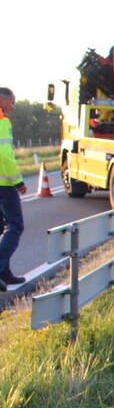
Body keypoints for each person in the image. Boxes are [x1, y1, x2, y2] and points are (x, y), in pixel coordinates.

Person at [0, 87, 27, 291]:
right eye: (12, 101)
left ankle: (4, 273)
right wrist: (18, 182)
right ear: (3, 99)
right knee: (15, 225)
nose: (14, 106)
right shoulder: (2, 120)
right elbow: (5, 156)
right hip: (4, 184)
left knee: (2, 227)